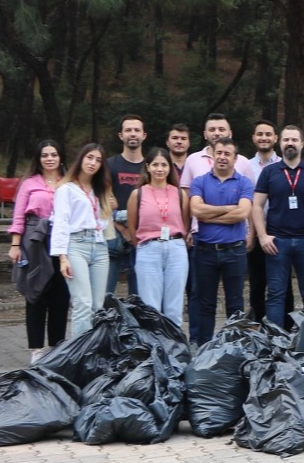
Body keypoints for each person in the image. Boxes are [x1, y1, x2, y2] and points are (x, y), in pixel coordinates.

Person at [252, 126, 304, 330]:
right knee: (275, 294)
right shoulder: (269, 172)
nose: (290, 143)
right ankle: (276, 340)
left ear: (302, 144)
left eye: (294, 139)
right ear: (280, 143)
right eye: (286, 140)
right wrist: (262, 236)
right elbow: (257, 205)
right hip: (277, 242)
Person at [9, 140, 70, 362]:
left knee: (61, 295)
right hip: (35, 240)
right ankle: (36, 349)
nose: (49, 159)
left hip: (63, 240)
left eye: (54, 154)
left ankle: (56, 347)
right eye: (45, 155)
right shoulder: (29, 183)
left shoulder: (69, 182)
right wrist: (15, 245)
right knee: (36, 292)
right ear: (38, 159)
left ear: (61, 158)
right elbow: (18, 217)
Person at [186, 139, 253, 343]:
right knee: (205, 304)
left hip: (234, 251)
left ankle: (235, 348)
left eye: (227, 154)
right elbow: (196, 210)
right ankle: (204, 348)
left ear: (235, 158)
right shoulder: (200, 181)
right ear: (213, 156)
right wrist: (229, 208)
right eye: (219, 153)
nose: (222, 157)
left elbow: (242, 213)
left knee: (235, 304)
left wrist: (209, 215)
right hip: (205, 251)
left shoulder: (244, 183)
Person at [50, 143, 115, 338]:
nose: (93, 163)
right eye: (89, 157)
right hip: (76, 245)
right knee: (83, 303)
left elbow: (105, 220)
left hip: (100, 246)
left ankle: (94, 349)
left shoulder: (101, 189)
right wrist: (62, 257)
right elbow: (60, 223)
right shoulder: (66, 189)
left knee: (97, 305)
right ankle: (81, 352)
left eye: (98, 160)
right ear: (81, 159)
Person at [127, 148, 189, 329]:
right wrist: (144, 244)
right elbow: (132, 226)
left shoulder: (180, 194)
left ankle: (174, 343)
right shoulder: (138, 194)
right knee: (150, 306)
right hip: (148, 249)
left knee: (174, 307)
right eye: (155, 165)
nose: (159, 169)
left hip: (176, 248)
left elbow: (184, 224)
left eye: (164, 165)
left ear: (170, 168)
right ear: (148, 167)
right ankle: (153, 344)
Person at [244, 119, 281, 323]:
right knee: (257, 283)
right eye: (260, 134)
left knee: (281, 283)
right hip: (255, 232)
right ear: (253, 138)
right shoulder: (246, 166)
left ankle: (283, 327)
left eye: (268, 134)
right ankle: (257, 326)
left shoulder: (284, 164)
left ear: (275, 138)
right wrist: (252, 233)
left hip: (279, 232)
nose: (264, 138)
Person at [106, 114, 147, 297]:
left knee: (139, 297)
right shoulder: (109, 165)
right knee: (105, 295)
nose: (132, 134)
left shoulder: (150, 167)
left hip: (142, 236)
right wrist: (123, 229)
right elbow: (102, 203)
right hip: (113, 234)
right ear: (120, 135)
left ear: (144, 135)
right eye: (128, 130)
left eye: (137, 130)